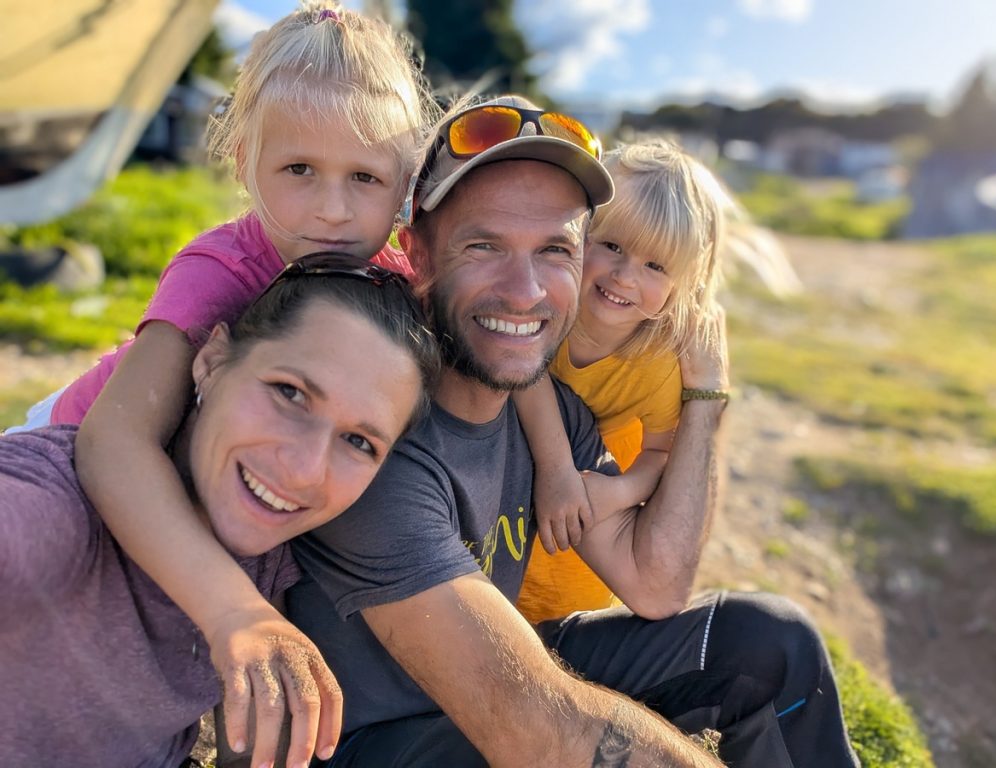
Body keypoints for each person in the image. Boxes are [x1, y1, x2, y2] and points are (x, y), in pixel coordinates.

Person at [286, 95, 860, 767]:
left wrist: (707, 395)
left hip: (502, 689)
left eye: (555, 249)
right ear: (418, 255)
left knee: (771, 642)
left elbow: (655, 584)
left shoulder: (556, 410)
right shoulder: (372, 422)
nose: (526, 290)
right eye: (485, 245)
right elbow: (537, 729)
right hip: (368, 743)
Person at [4, 2, 435, 760]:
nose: (332, 212)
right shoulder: (222, 266)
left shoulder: (391, 279)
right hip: (66, 441)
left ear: (402, 188)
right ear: (243, 163)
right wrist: (232, 609)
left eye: (364, 177)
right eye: (298, 170)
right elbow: (113, 441)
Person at [0, 252, 441, 768]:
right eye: (289, 393)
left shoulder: (266, 565)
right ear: (210, 362)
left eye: (360, 442)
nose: (303, 469)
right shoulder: (55, 508)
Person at [515, 139, 733, 623]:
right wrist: (556, 470)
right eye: (611, 245)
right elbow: (522, 372)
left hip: (595, 489)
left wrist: (621, 491)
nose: (624, 276)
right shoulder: (541, 298)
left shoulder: (657, 363)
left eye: (655, 266)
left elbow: (661, 453)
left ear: (685, 285)